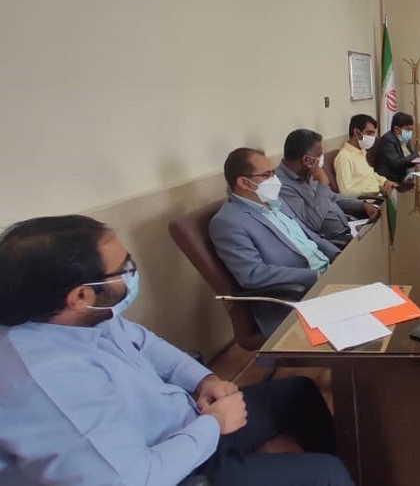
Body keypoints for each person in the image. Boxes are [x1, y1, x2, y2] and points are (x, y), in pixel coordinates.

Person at [0, 215, 353, 486]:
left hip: (189, 424)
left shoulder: (80, 316)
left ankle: (356, 468)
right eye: (123, 268)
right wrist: (214, 425)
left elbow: (147, 344)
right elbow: (134, 478)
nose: (132, 273)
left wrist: (204, 380)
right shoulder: (45, 380)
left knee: (299, 392)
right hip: (172, 468)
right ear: (80, 295)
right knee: (326, 475)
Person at [210, 147, 340, 335]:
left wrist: (336, 254)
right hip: (299, 297)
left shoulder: (276, 202)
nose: (274, 179)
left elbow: (310, 235)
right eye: (266, 175)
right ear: (244, 182)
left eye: (273, 172)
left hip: (330, 274)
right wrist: (316, 276)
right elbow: (253, 274)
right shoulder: (228, 222)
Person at [276, 129, 378, 246]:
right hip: (334, 242)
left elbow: (333, 197)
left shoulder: (305, 172)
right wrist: (323, 183)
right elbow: (311, 224)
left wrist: (362, 205)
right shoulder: (282, 186)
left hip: (348, 227)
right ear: (306, 160)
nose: (321, 161)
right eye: (319, 156)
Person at [334, 114, 398, 197]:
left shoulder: (361, 151)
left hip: (377, 196)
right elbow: (346, 192)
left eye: (374, 133)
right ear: (357, 132)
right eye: (369, 133)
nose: (373, 137)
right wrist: (377, 190)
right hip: (366, 202)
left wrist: (384, 181)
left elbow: (369, 174)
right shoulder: (344, 158)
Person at [374, 112, 420, 183]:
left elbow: (409, 158)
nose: (410, 132)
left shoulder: (404, 139)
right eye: (408, 129)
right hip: (391, 179)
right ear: (396, 129)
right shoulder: (388, 140)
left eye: (411, 129)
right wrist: (419, 154)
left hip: (405, 175)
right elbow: (396, 163)